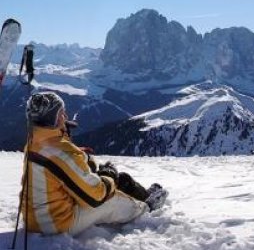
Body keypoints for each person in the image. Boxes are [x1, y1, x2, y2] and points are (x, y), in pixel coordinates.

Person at [21, 92, 168, 236]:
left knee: (118, 180)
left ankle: (142, 195)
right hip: (57, 223)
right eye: (61, 114)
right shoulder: (62, 153)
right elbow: (95, 197)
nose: (65, 117)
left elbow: (59, 167)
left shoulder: (35, 141)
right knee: (112, 199)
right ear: (52, 119)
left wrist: (74, 149)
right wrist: (108, 175)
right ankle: (145, 209)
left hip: (34, 218)